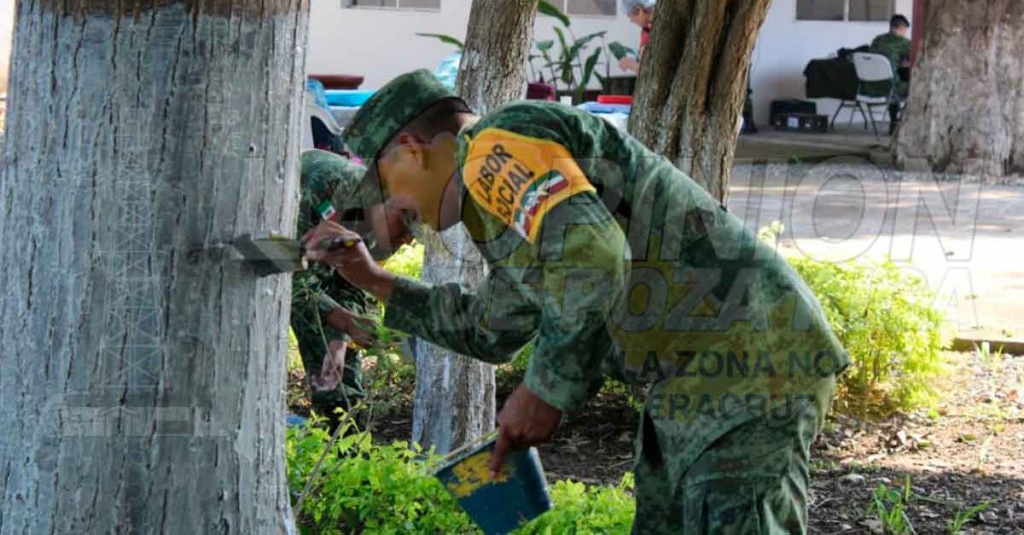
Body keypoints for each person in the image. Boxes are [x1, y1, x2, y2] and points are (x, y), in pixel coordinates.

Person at [303, 70, 847, 533]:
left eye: (382, 188)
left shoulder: (492, 147)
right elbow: (492, 329)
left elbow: (593, 255)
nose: (394, 210)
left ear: (411, 150)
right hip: (700, 376)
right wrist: (374, 280)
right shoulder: (496, 209)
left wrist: (544, 390)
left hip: (750, 361)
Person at [290, 150, 379, 426]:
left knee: (338, 351)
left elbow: (349, 284)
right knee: (314, 323)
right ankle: (332, 425)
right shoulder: (325, 192)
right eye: (406, 231)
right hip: (269, 243)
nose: (408, 241)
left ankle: (348, 431)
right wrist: (345, 321)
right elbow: (293, 286)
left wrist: (341, 336)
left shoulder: (380, 225)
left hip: (317, 246)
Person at [870, 14, 911, 134]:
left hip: (870, 87)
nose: (904, 33)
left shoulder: (877, 40)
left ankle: (894, 119)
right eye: (904, 30)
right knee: (914, 86)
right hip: (891, 87)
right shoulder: (904, 43)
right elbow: (913, 59)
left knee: (894, 85)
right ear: (900, 28)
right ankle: (896, 120)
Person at [618, 0, 656, 72]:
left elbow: (651, 72)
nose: (631, 21)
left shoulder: (652, 30)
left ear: (639, 10)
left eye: (630, 16)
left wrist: (630, 64)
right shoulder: (646, 29)